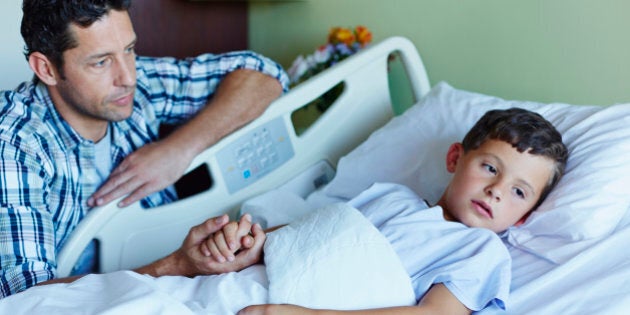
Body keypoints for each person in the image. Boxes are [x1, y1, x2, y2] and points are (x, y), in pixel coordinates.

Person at [0, 0, 288, 298]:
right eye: (101, 62)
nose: (128, 78)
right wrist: (177, 265)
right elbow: (26, 297)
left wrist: (178, 149)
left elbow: (264, 74)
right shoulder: (15, 144)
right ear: (46, 68)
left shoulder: (136, 90)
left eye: (129, 49)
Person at [205, 108, 569, 315]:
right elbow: (315, 235)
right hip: (247, 286)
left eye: (518, 192)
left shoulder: (480, 252)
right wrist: (254, 243)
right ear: (455, 158)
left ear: (523, 217)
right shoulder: (392, 198)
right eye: (490, 168)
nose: (496, 191)